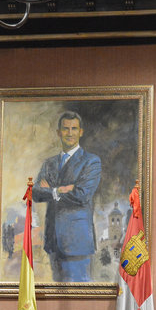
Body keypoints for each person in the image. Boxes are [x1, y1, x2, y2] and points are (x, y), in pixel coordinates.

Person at [31, 111, 102, 282]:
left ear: (81, 132)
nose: (70, 133)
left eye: (74, 129)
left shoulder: (91, 161)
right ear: (58, 132)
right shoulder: (49, 164)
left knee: (79, 300)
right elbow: (35, 193)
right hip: (53, 243)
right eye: (65, 129)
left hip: (77, 244)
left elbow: (81, 195)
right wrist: (60, 190)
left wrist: (51, 190)